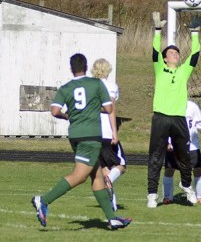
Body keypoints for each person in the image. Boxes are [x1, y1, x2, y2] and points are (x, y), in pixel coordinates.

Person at [31, 53, 132, 230]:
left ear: (71, 69)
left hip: (75, 135)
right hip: (91, 136)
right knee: (80, 176)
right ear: (86, 67)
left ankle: (112, 218)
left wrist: (67, 115)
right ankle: (43, 200)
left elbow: (54, 111)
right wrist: (93, 106)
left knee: (97, 175)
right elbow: (109, 108)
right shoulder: (96, 83)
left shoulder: (66, 87)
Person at [147, 12, 201, 208]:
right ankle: (152, 195)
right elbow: (154, 51)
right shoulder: (159, 68)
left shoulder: (182, 71)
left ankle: (187, 186)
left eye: (177, 53)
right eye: (172, 52)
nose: (176, 54)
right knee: (155, 156)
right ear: (165, 58)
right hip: (161, 117)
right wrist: (157, 30)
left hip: (178, 119)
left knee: (184, 156)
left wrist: (194, 33)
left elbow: (195, 55)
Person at [163, 100, 201, 204]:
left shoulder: (192, 106)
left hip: (192, 146)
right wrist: (167, 142)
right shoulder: (169, 105)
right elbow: (165, 127)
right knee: (169, 169)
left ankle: (200, 196)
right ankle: (167, 196)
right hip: (173, 145)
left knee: (197, 169)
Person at [91, 58, 127, 211]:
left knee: (105, 168)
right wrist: (114, 132)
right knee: (121, 164)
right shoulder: (111, 87)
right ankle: (109, 180)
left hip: (91, 132)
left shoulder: (90, 87)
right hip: (105, 132)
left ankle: (111, 204)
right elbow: (111, 110)